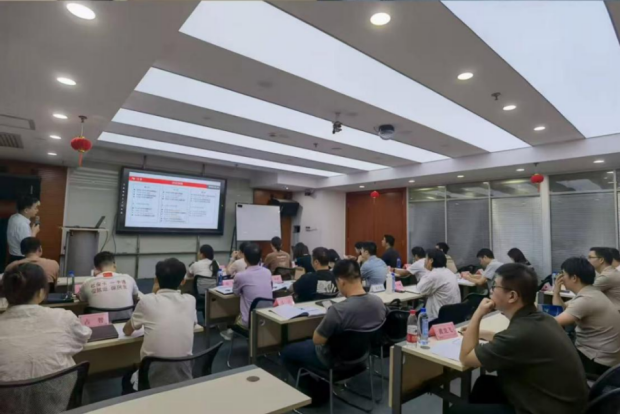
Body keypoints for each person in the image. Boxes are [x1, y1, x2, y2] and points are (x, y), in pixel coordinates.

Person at [455, 263, 588, 414]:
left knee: (457, 411)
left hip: (549, 408)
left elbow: (466, 358)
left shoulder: (519, 334)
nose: (491, 291)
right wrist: (482, 333)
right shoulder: (542, 318)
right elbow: (513, 339)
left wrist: (478, 314)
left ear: (512, 296)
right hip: (565, 401)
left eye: (494, 287)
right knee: (483, 384)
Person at [280, 260, 386, 381]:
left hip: (333, 360)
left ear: (341, 281)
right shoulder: (378, 303)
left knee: (287, 352)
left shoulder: (338, 310)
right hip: (362, 357)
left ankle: (313, 389)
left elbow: (317, 340)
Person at [0, 263, 91, 381]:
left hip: (10, 393)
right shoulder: (63, 317)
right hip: (62, 391)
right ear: (41, 292)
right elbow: (83, 336)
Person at [123, 258, 197, 393]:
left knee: (126, 377)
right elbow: (192, 325)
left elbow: (127, 330)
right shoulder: (191, 300)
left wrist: (154, 293)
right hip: (184, 376)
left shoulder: (147, 301)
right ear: (183, 281)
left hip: (151, 379)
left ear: (156, 279)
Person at [553, 257, 620, 376]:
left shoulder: (586, 300)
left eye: (563, 274)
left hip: (597, 360)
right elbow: (561, 310)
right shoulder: (591, 292)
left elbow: (554, 322)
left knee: (553, 355)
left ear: (574, 278)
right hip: (605, 355)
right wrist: (556, 293)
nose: (561, 278)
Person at [79, 251, 139, 321]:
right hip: (126, 322)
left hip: (100, 325)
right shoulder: (128, 278)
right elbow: (135, 298)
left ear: (96, 268)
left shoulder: (88, 282)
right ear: (114, 265)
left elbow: (82, 299)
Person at [233, 243, 273, 329]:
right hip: (268, 319)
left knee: (234, 318)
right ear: (260, 257)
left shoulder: (240, 276)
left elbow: (235, 293)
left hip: (249, 322)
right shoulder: (268, 272)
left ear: (245, 258)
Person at [412, 248, 460, 321]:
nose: (424, 261)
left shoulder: (434, 275)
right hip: (453, 315)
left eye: (426, 258)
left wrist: (427, 271)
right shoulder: (449, 272)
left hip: (438, 319)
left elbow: (420, 289)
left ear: (431, 261)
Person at [7, 196, 40, 263]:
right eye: (35, 208)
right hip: (21, 258)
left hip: (13, 256)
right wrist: (34, 232)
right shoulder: (22, 224)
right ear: (26, 210)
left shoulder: (13, 217)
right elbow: (28, 246)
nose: (37, 210)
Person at [588, 247, 620, 311]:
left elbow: (585, 294)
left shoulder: (607, 276)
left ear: (601, 260)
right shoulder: (611, 272)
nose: (588, 260)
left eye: (590, 257)